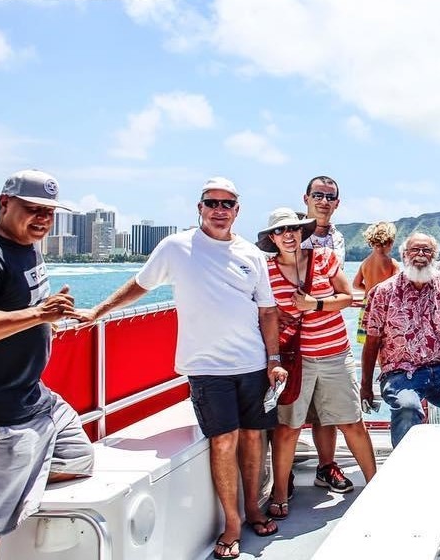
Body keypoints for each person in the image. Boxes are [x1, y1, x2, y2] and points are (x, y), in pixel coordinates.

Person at [80, 177, 286, 559]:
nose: (220, 210)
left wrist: (273, 360)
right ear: (199, 208)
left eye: (228, 204)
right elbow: (140, 285)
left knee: (254, 438)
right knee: (224, 441)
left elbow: (267, 311)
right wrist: (98, 312)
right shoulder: (176, 247)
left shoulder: (252, 255)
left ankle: (254, 508)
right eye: (213, 203)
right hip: (207, 368)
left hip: (253, 364)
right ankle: (232, 522)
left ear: (237, 211)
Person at [0, 170, 94, 560]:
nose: (43, 219)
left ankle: (0, 485)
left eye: (50, 213)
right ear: (5, 203)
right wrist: (39, 316)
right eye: (33, 209)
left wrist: (52, 315)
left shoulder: (29, 247)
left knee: (78, 458)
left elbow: (25, 307)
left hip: (37, 400)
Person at [256, 208, 377, 522]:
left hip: (335, 354)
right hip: (295, 361)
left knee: (352, 422)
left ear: (302, 232)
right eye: (281, 231)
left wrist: (314, 304)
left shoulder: (323, 257)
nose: (289, 235)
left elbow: (348, 297)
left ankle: (378, 485)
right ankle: (280, 494)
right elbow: (259, 310)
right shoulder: (265, 271)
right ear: (272, 238)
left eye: (294, 229)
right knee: (288, 429)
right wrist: (277, 319)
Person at [361, 233, 440, 506]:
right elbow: (371, 341)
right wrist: (365, 384)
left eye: (427, 250)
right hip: (401, 373)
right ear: (404, 255)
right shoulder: (383, 292)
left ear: (435, 256)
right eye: (414, 250)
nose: (420, 255)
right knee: (408, 407)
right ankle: (407, 478)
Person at [298, 175, 355, 494]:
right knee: (285, 414)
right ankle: (282, 476)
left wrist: (315, 302)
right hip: (292, 340)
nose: (323, 201)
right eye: (317, 195)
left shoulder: (337, 238)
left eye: (330, 197)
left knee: (326, 411)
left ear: (337, 203)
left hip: (328, 339)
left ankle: (326, 466)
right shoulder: (290, 232)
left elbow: (337, 288)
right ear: (305, 197)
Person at [352, 221, 400, 345]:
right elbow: (399, 287)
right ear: (390, 242)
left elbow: (355, 285)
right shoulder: (391, 263)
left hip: (368, 304)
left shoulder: (365, 262)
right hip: (384, 306)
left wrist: (370, 290)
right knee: (385, 343)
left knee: (370, 343)